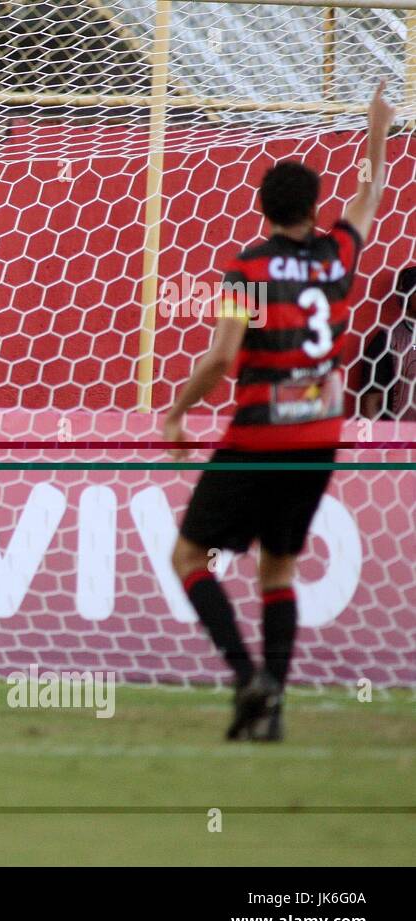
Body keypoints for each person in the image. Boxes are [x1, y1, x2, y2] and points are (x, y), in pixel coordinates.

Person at [162, 83, 394, 742]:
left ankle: (245, 676)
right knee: (279, 569)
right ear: (314, 209)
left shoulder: (247, 269)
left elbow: (219, 360)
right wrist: (377, 129)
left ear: (262, 210)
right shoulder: (338, 255)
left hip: (260, 434)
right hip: (320, 435)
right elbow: (370, 195)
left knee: (189, 556)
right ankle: (276, 704)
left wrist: (176, 412)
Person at [359, 265, 416, 420]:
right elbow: (371, 401)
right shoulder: (388, 340)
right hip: (403, 437)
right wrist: (376, 442)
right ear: (406, 296)